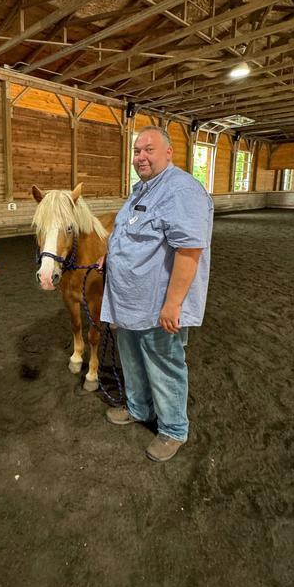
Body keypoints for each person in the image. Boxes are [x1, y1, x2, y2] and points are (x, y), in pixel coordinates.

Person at [100, 126, 213, 462]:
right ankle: (138, 408)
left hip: (155, 305)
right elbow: (128, 232)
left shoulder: (181, 191)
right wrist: (110, 253)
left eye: (149, 149)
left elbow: (190, 250)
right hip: (127, 303)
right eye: (137, 151)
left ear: (169, 153)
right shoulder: (140, 190)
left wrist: (173, 303)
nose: (141, 157)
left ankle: (173, 429)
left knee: (165, 366)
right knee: (132, 361)